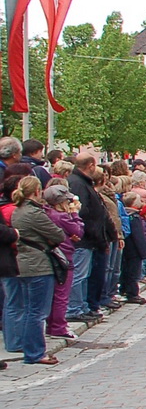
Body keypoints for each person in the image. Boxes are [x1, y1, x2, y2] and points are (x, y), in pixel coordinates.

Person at [2, 177, 66, 365]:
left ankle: (30, 349)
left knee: (28, 309)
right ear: (37, 191)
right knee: (37, 312)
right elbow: (58, 234)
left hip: (22, 262)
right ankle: (35, 352)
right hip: (37, 265)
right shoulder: (33, 213)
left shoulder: (17, 211)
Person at [65, 154, 113, 325]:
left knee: (84, 274)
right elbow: (82, 212)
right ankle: (75, 308)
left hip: (90, 237)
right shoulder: (78, 183)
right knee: (79, 275)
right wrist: (93, 232)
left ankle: (82, 306)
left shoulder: (82, 182)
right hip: (84, 238)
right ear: (91, 165)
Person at [42, 185, 82, 341]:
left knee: (54, 293)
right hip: (64, 256)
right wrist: (75, 214)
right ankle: (58, 326)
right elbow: (78, 231)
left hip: (52, 255)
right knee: (61, 294)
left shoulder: (46, 213)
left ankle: (52, 324)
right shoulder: (62, 216)